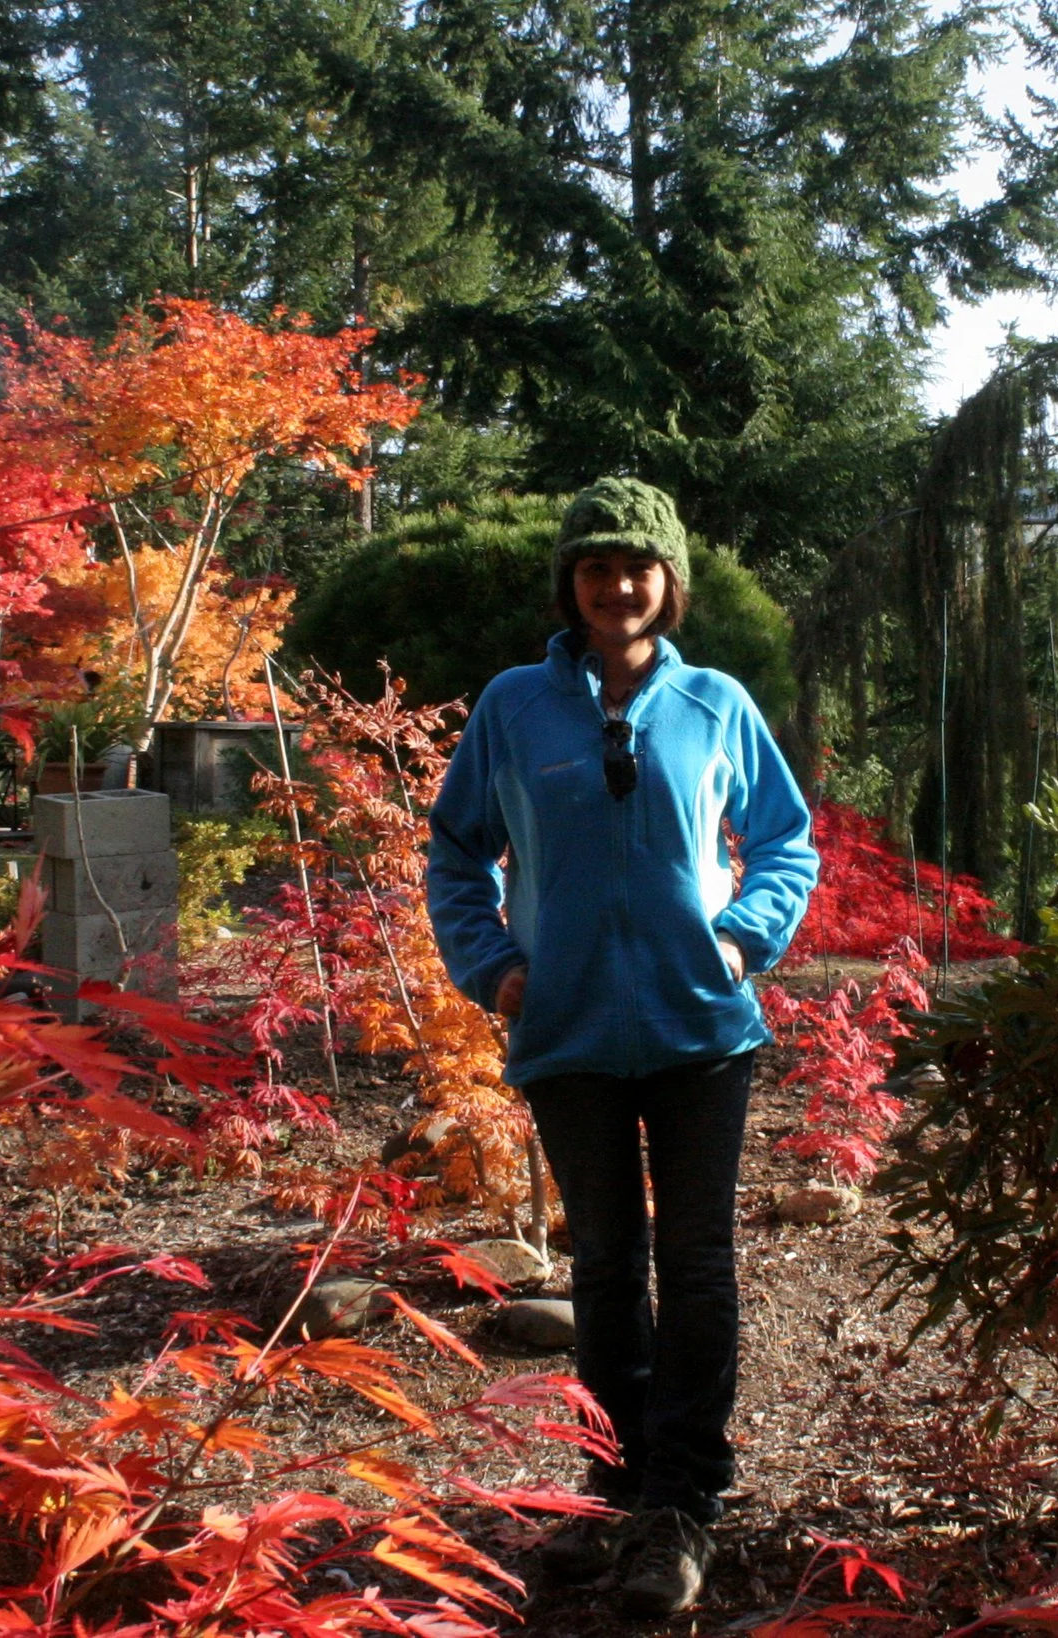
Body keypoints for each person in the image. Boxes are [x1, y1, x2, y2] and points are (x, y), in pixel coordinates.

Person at [426, 479, 818, 1616]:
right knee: (603, 1268)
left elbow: (784, 839)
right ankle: (613, 1491)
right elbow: (457, 851)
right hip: (569, 1034)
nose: (617, 585)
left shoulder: (715, 704)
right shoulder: (512, 707)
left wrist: (744, 940)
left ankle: (682, 1503)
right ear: (571, 583)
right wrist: (494, 966)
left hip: (701, 1029)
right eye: (595, 567)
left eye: (637, 565)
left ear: (669, 580)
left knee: (694, 1267)